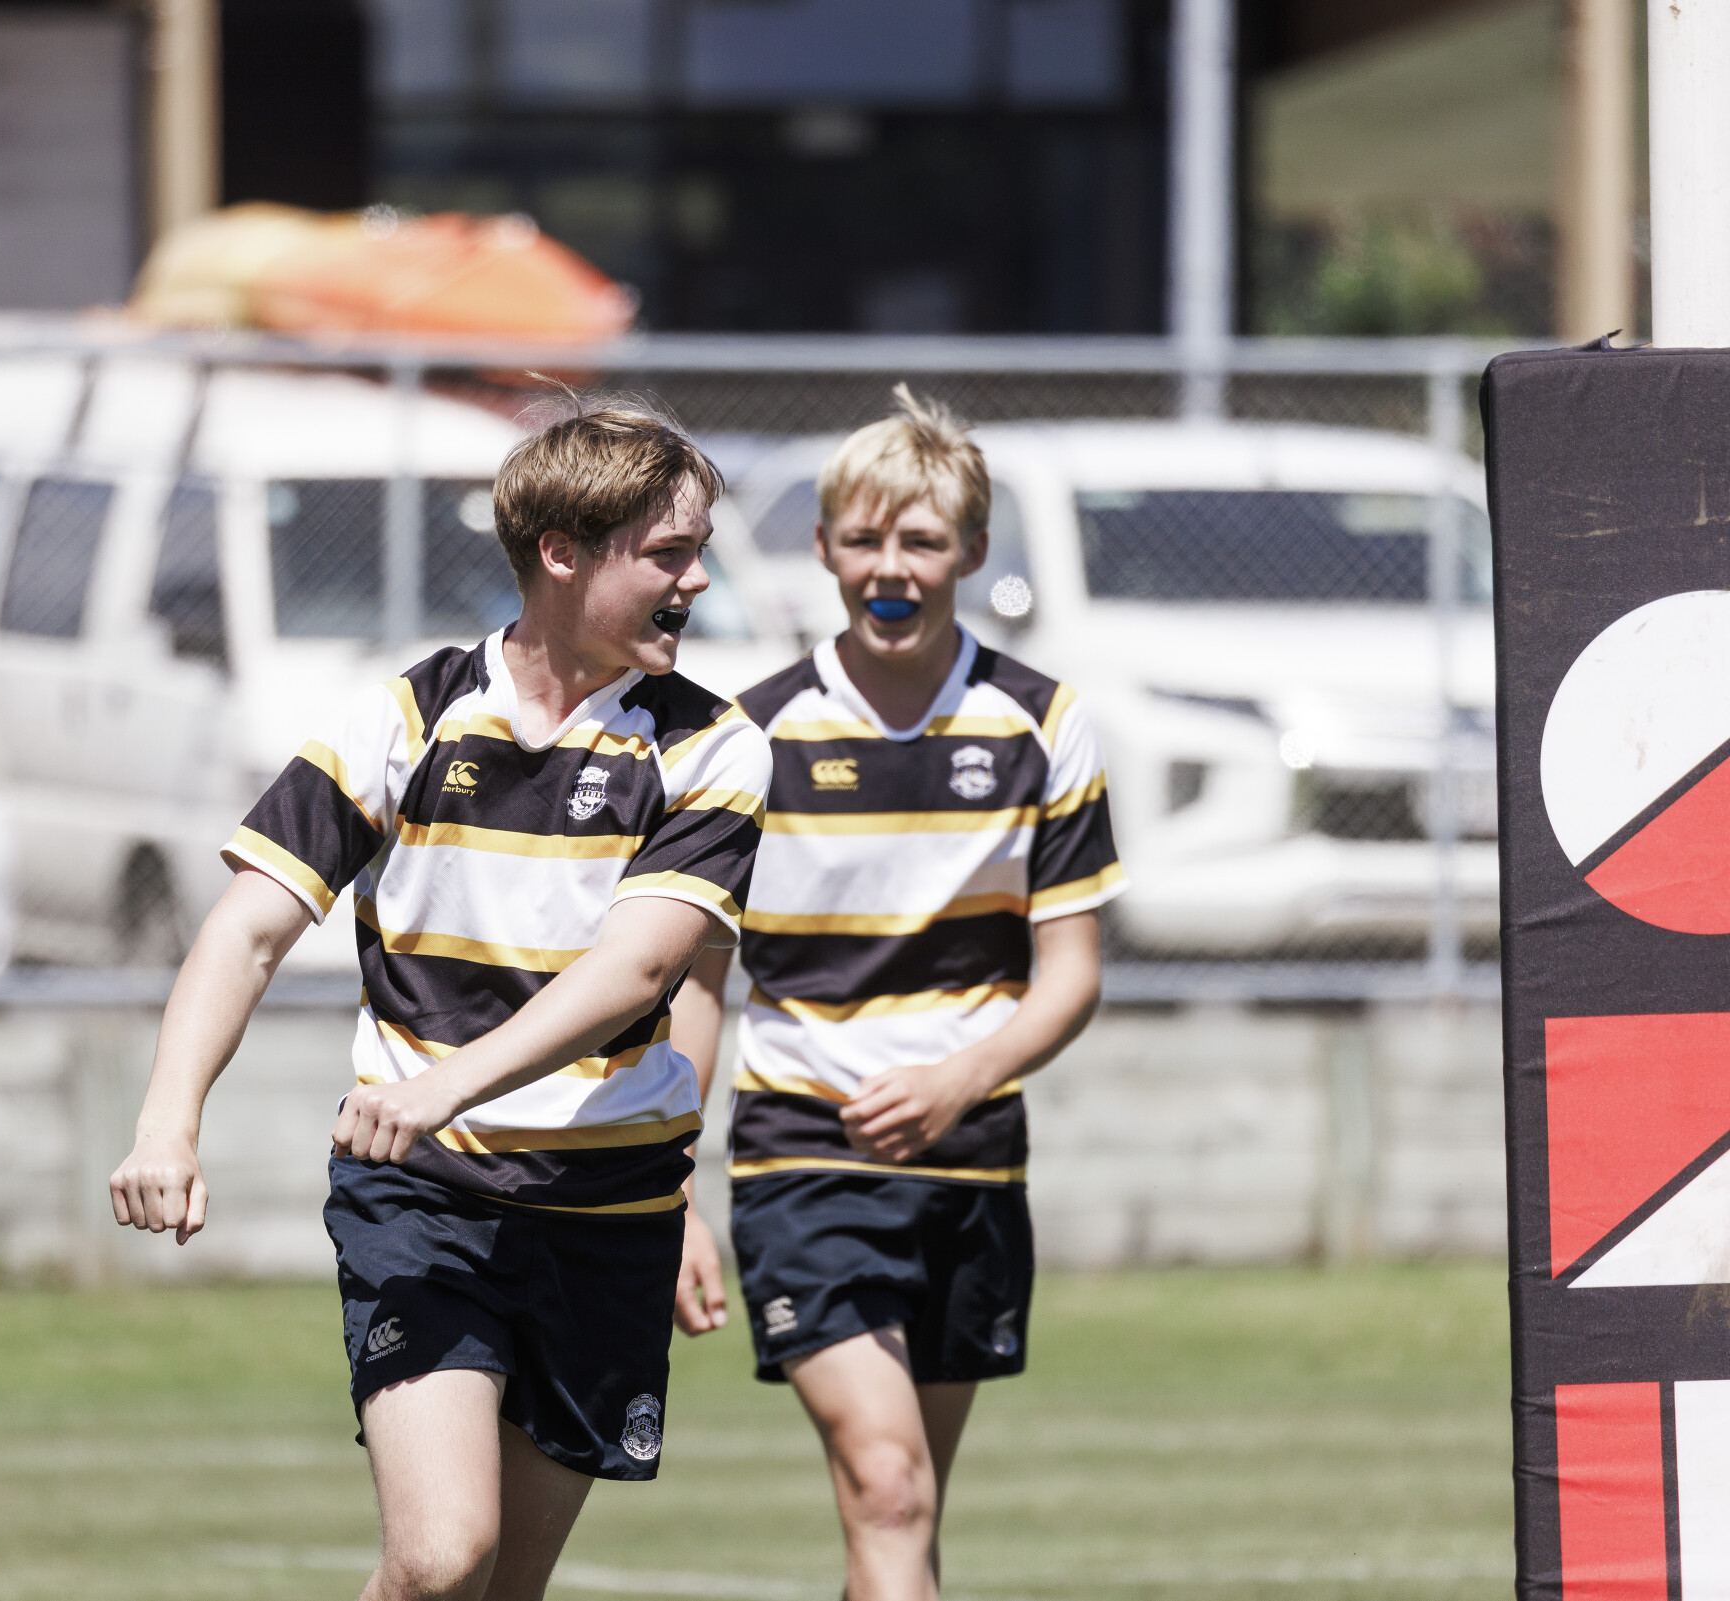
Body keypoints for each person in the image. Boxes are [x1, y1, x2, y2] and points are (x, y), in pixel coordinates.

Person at [111, 399, 772, 1601]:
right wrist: (167, 1120)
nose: (697, 579)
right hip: (425, 1197)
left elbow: (637, 971)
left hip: (609, 1206)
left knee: (499, 1587)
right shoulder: (406, 717)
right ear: (562, 552)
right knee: (439, 1555)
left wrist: (447, 1085)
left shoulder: (711, 749)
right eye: (669, 553)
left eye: (700, 549)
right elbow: (248, 929)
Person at [671, 386, 1122, 1601]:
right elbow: (696, 982)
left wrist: (956, 1081)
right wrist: (671, 1184)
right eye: (864, 538)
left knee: (906, 1515)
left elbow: (1072, 972)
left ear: (971, 550)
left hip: (968, 1158)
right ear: (823, 548)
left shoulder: (1042, 722)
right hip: (801, 1154)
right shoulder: (752, 737)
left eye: (920, 540)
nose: (890, 567)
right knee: (888, 1482)